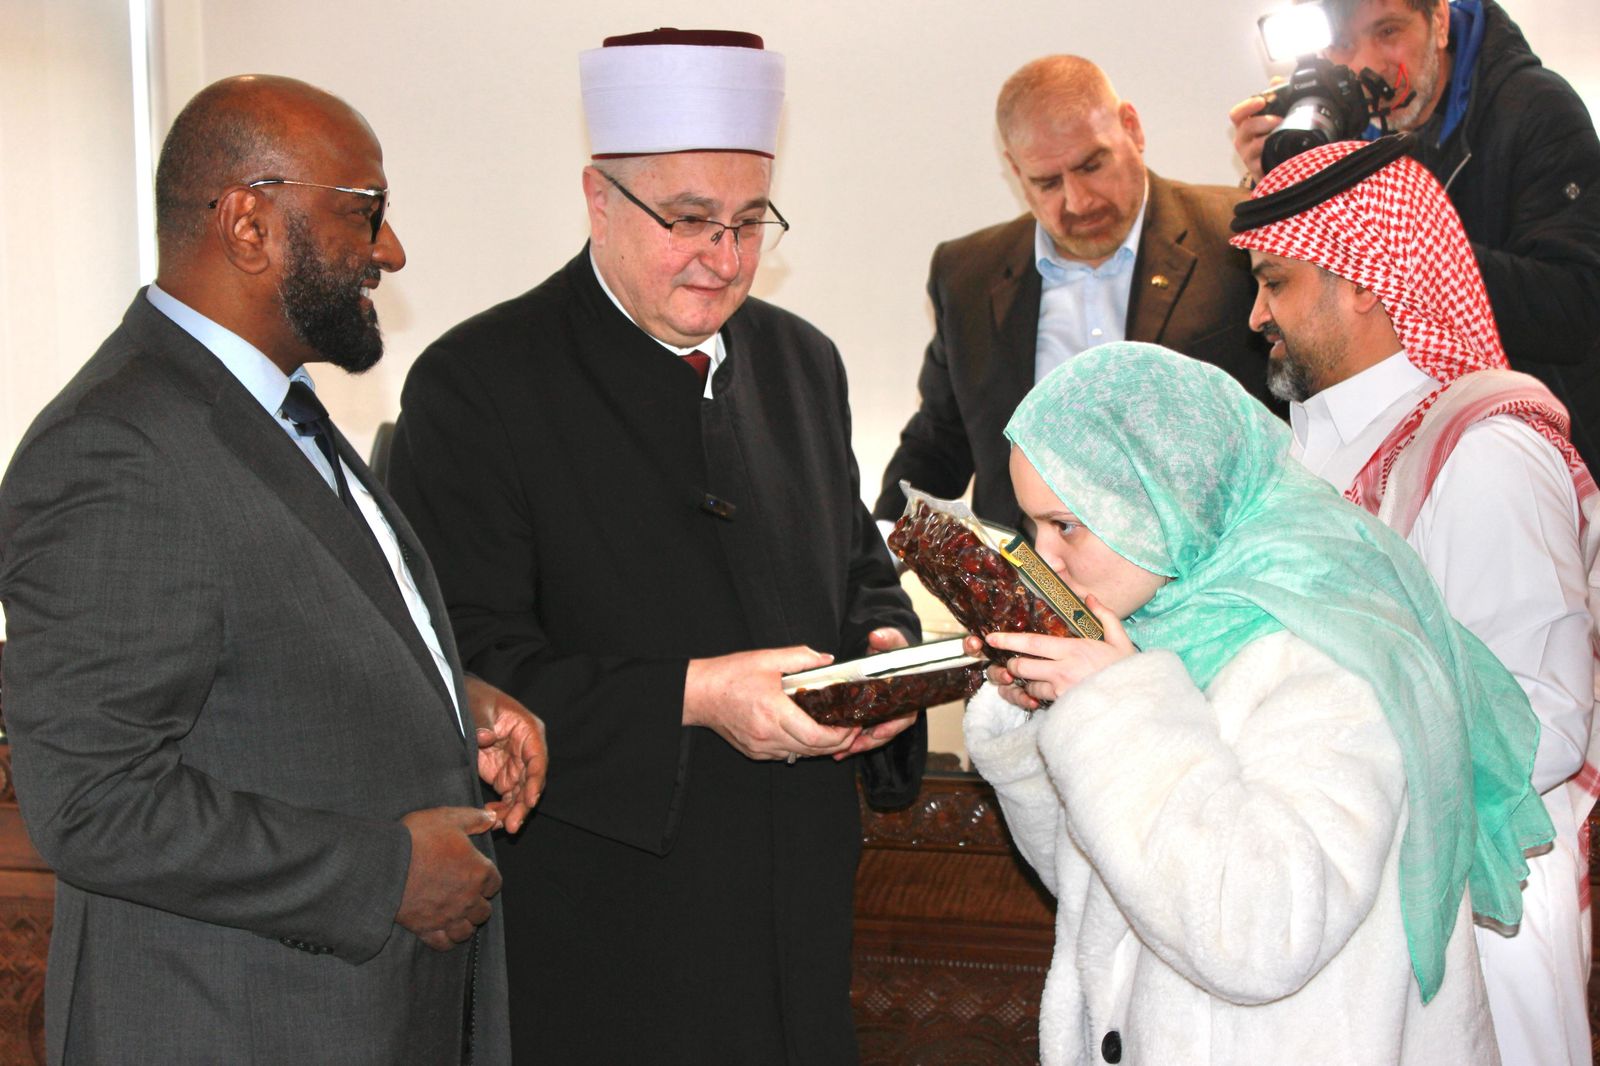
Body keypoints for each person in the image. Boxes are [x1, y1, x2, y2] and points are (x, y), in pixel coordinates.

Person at [385, 29, 922, 1066]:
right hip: (611, 921)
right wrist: (698, 693)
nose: (724, 257)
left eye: (749, 221)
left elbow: (857, 563)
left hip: (797, 906)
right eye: (687, 220)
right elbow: (464, 666)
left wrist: (886, 653)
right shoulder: (478, 384)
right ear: (598, 198)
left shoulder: (802, 362)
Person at [0, 75, 548, 1065]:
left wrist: (444, 698)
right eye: (365, 210)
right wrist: (383, 872)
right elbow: (93, 799)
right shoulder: (116, 446)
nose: (390, 249)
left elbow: (269, 633)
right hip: (237, 1026)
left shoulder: (270, 408)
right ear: (248, 224)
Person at [962, 341, 1549, 1065]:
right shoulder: (1164, 622)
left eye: (1067, 525)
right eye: (1032, 526)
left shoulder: (1328, 650)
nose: (1044, 560)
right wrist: (1043, 719)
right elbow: (1109, 892)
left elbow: (1260, 937)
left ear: (1162, 496)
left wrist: (1108, 709)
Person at [1229, 134, 1597, 1065]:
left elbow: (1539, 725)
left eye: (1275, 283)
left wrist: (1330, 768)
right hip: (1343, 899)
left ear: (1363, 277)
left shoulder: (1482, 450)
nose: (1255, 315)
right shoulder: (1297, 454)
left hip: (1478, 911)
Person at [874, 54, 1271, 529]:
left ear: (1132, 129)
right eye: (1047, 183)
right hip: (1030, 575)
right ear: (1014, 170)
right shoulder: (966, 276)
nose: (1078, 201)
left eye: (1092, 165)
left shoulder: (1237, 234)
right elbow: (938, 445)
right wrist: (878, 552)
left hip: (1215, 565)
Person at [1229, 0, 1600, 467]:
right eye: (1342, 44)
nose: (1365, 63)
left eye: (1388, 32)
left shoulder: (1534, 108)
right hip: (1406, 446)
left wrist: (1409, 245)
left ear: (1439, 21)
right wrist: (1279, 187)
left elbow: (1578, 307)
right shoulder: (1340, 132)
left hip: (1535, 447)